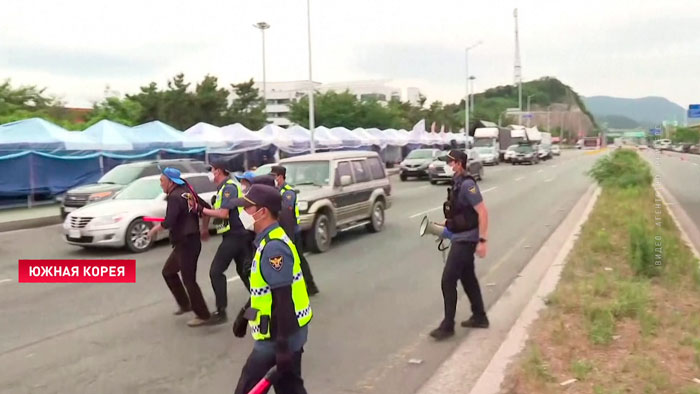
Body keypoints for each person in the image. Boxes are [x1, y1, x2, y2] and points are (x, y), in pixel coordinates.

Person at [231, 184, 312, 394]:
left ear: (263, 211)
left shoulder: (274, 248)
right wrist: (245, 315)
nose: (243, 213)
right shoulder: (265, 241)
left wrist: (283, 347)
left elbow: (283, 298)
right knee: (290, 387)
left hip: (278, 336)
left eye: (247, 208)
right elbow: (264, 294)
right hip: (283, 333)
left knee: (247, 388)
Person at [430, 150, 490, 340]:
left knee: (448, 280)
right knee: (468, 278)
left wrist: (482, 241)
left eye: (451, 163)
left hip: (467, 240)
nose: (449, 166)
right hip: (460, 236)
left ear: (459, 163)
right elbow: (460, 213)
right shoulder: (456, 183)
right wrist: (444, 225)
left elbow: (482, 212)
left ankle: (448, 326)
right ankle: (480, 316)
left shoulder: (468, 185)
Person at [147, 167, 212, 327]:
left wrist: (155, 229)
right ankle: (185, 304)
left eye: (162, 181)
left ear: (170, 181)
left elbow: (169, 221)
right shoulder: (186, 192)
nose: (161, 184)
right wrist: (203, 229)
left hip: (186, 243)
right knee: (168, 272)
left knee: (189, 280)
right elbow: (206, 210)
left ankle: (203, 315)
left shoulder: (175, 197)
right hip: (187, 241)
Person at [195, 160, 255, 325]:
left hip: (236, 235)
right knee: (244, 271)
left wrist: (200, 209)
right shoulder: (224, 188)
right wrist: (205, 227)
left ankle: (221, 312)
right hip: (237, 234)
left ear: (219, 171)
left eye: (212, 169)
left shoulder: (229, 187)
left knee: (216, 272)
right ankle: (263, 301)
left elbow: (223, 214)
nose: (211, 173)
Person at [269, 166, 320, 296]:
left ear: (280, 177)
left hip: (292, 231)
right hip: (282, 231)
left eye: (274, 176)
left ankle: (310, 285)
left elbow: (286, 211)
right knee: (291, 260)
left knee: (298, 259)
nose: (273, 179)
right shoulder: (276, 191)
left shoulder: (288, 192)